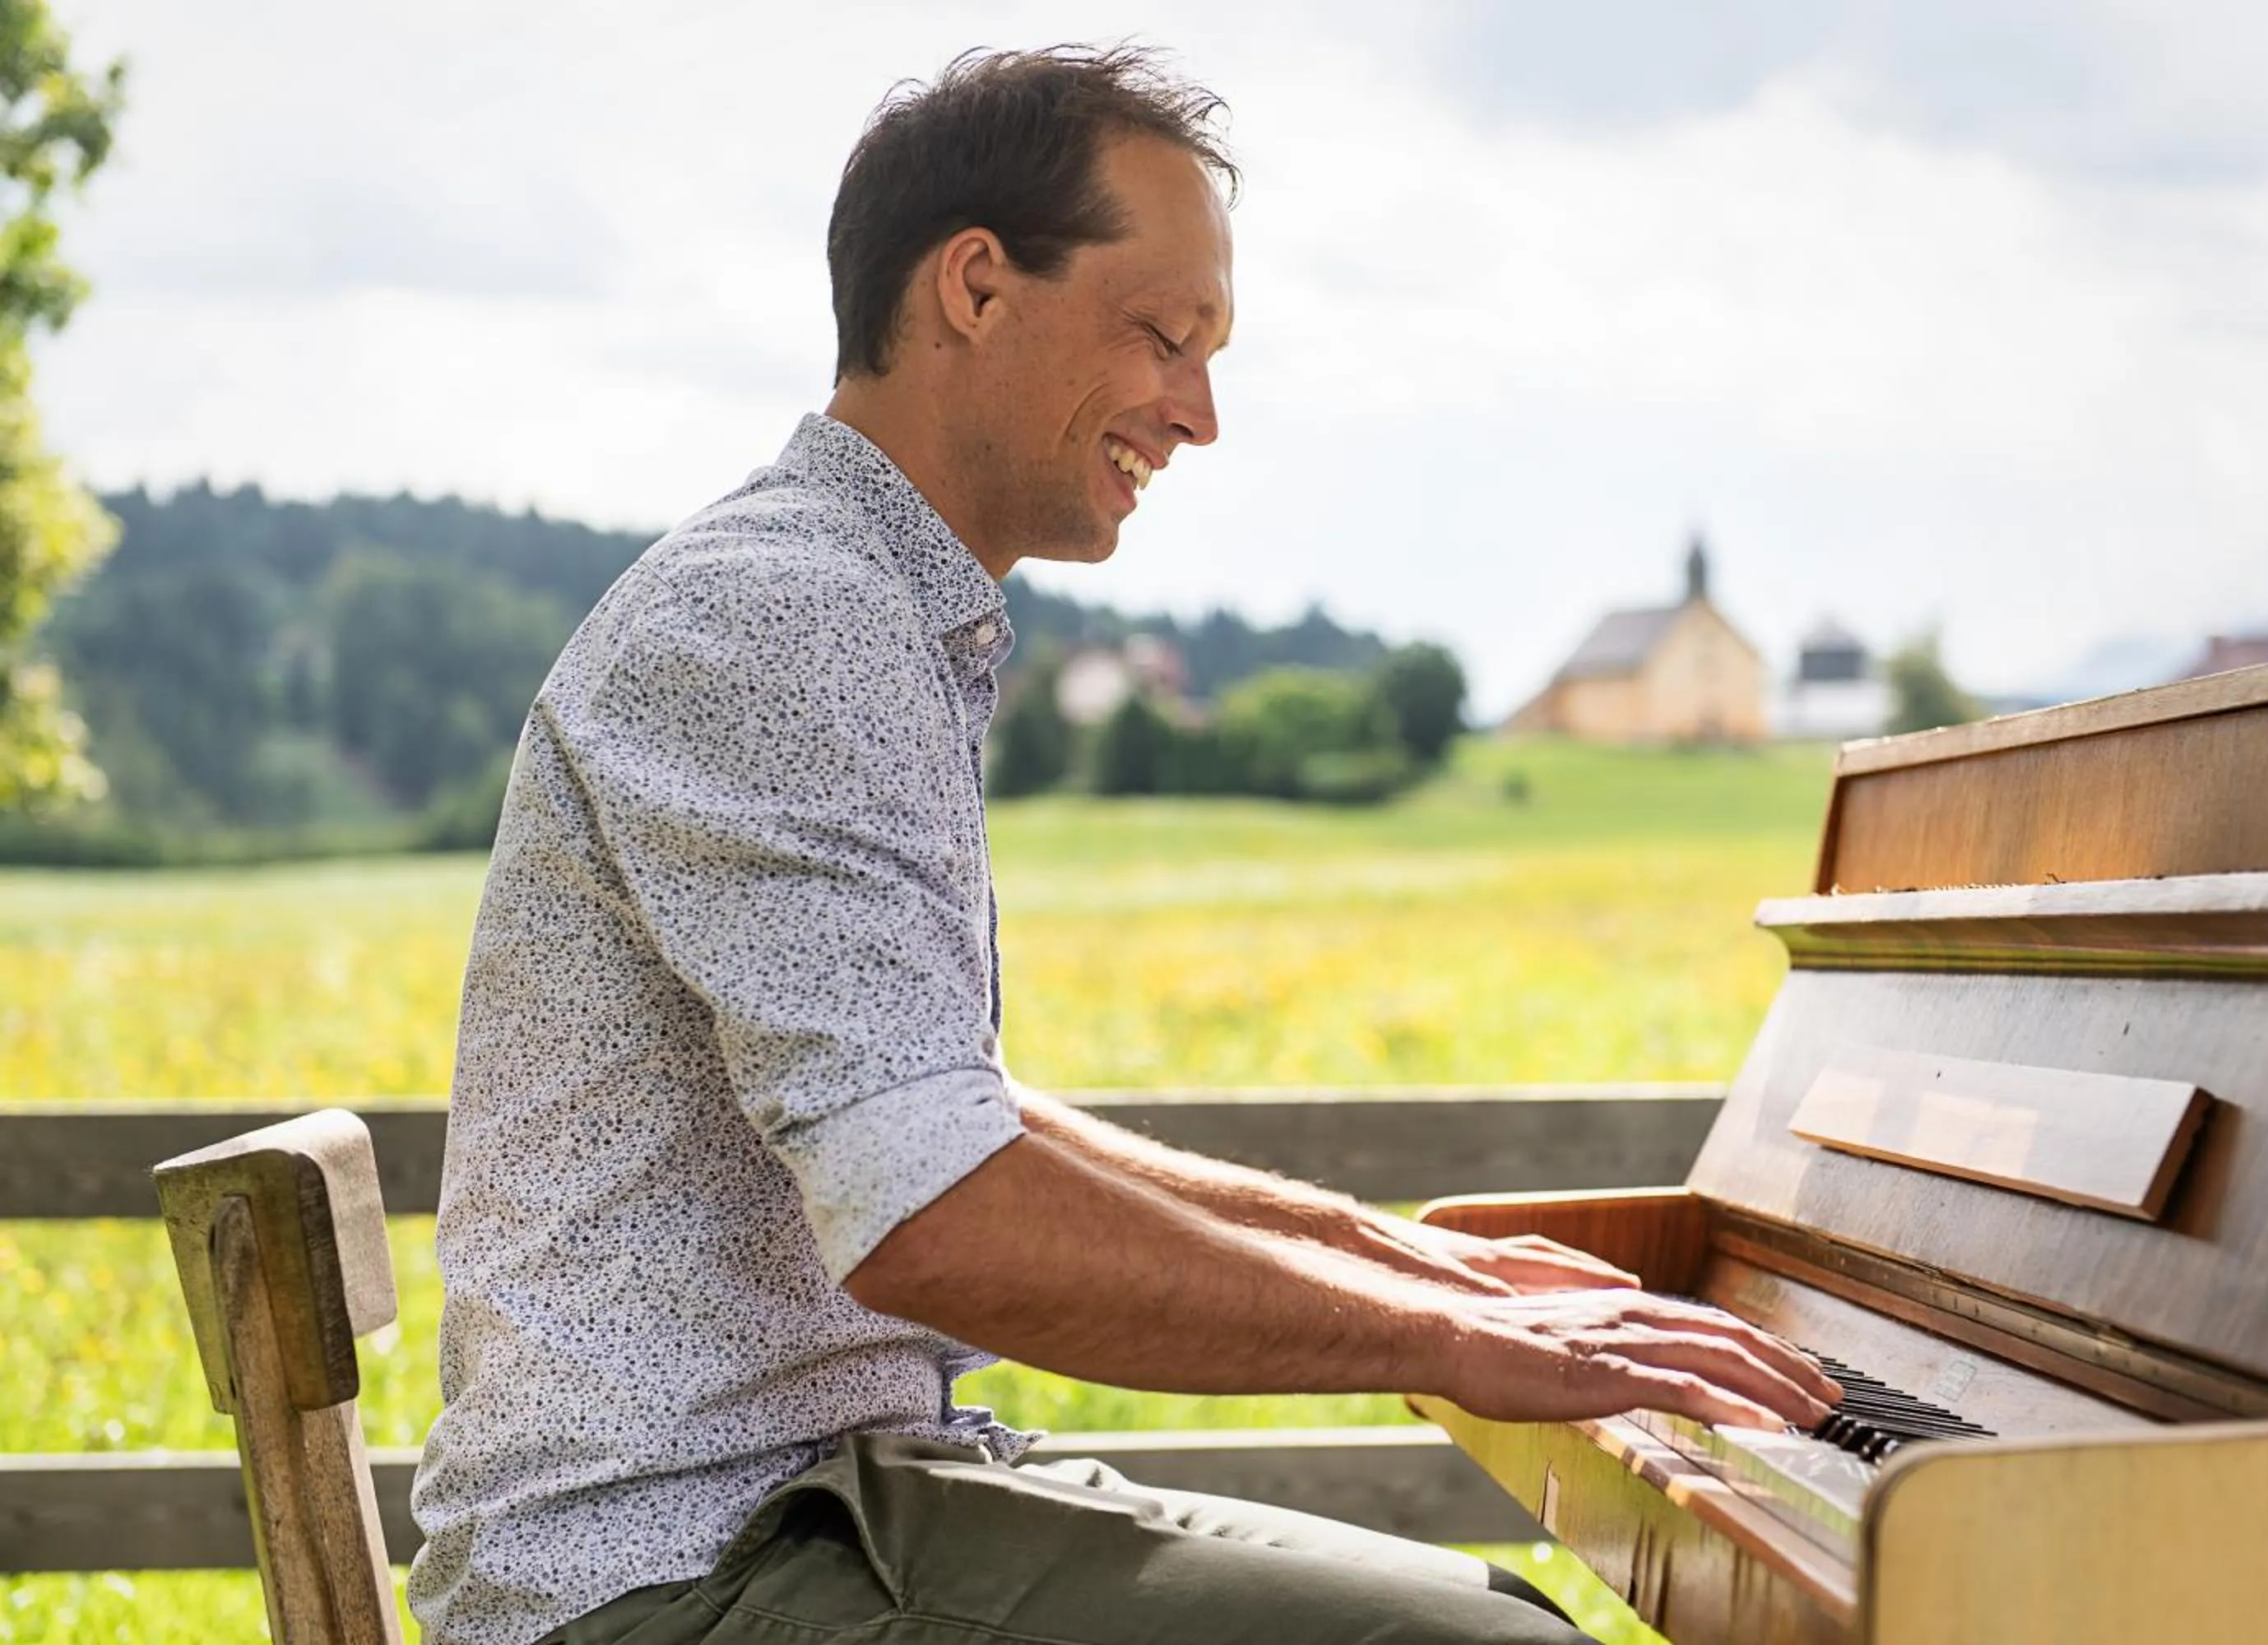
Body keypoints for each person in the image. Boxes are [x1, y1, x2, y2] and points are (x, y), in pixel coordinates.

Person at [407, 44, 1836, 1645]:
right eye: (1165, 336)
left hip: (829, 1510)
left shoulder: (854, 608)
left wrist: (1431, 1274)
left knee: (1484, 1611)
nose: (1202, 414)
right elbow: (938, 1209)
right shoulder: (783, 620)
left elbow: (956, 1113)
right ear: (974, 287)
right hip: (666, 1578)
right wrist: (1442, 1339)